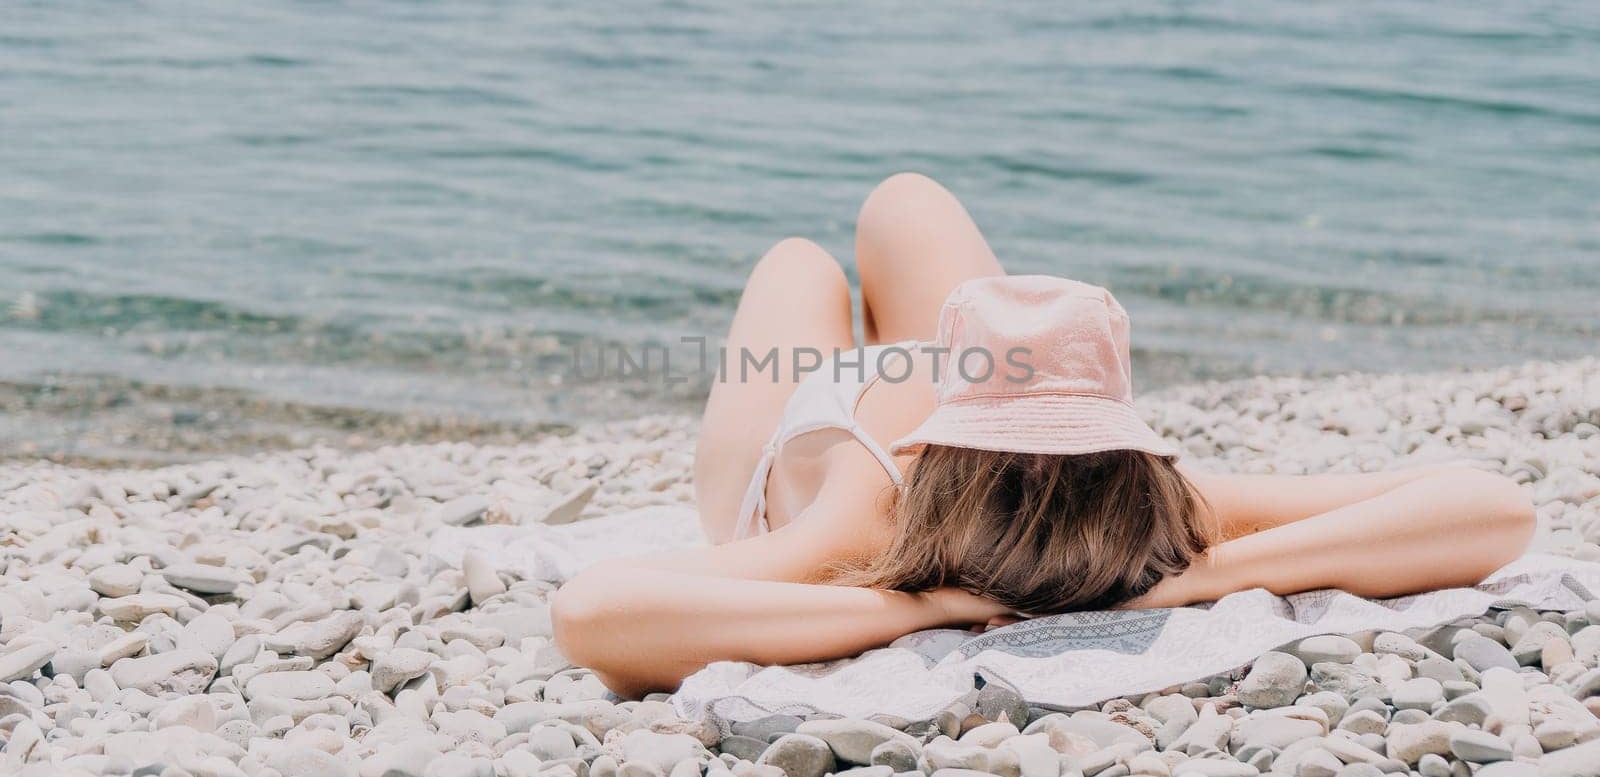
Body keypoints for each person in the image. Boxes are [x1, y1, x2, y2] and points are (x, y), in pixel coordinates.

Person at [551, 173, 1534, 697]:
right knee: (902, 200)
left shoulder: (862, 541)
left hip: (826, 416)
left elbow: (596, 617)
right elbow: (1491, 507)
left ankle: (982, 353)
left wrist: (912, 607)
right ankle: (1001, 358)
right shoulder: (1148, 507)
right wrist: (1192, 574)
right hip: (890, 415)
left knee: (799, 262)